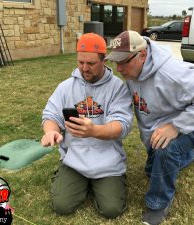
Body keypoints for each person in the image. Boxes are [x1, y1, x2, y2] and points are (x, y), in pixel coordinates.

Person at [105, 30, 194, 225]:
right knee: (152, 171)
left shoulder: (172, 73)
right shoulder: (133, 73)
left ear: (142, 55)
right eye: (115, 62)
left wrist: (176, 126)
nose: (119, 68)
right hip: (160, 129)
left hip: (193, 127)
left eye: (124, 62)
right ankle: (191, 154)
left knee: (166, 150)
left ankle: (158, 205)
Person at [41, 33, 133, 219]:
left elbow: (122, 125)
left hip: (108, 162)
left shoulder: (117, 88)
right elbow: (50, 115)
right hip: (75, 159)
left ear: (103, 60)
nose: (84, 68)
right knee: (61, 206)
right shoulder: (66, 87)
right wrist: (51, 132)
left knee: (112, 210)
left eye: (90, 64)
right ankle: (73, 178)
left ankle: (106, 182)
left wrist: (94, 131)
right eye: (80, 62)